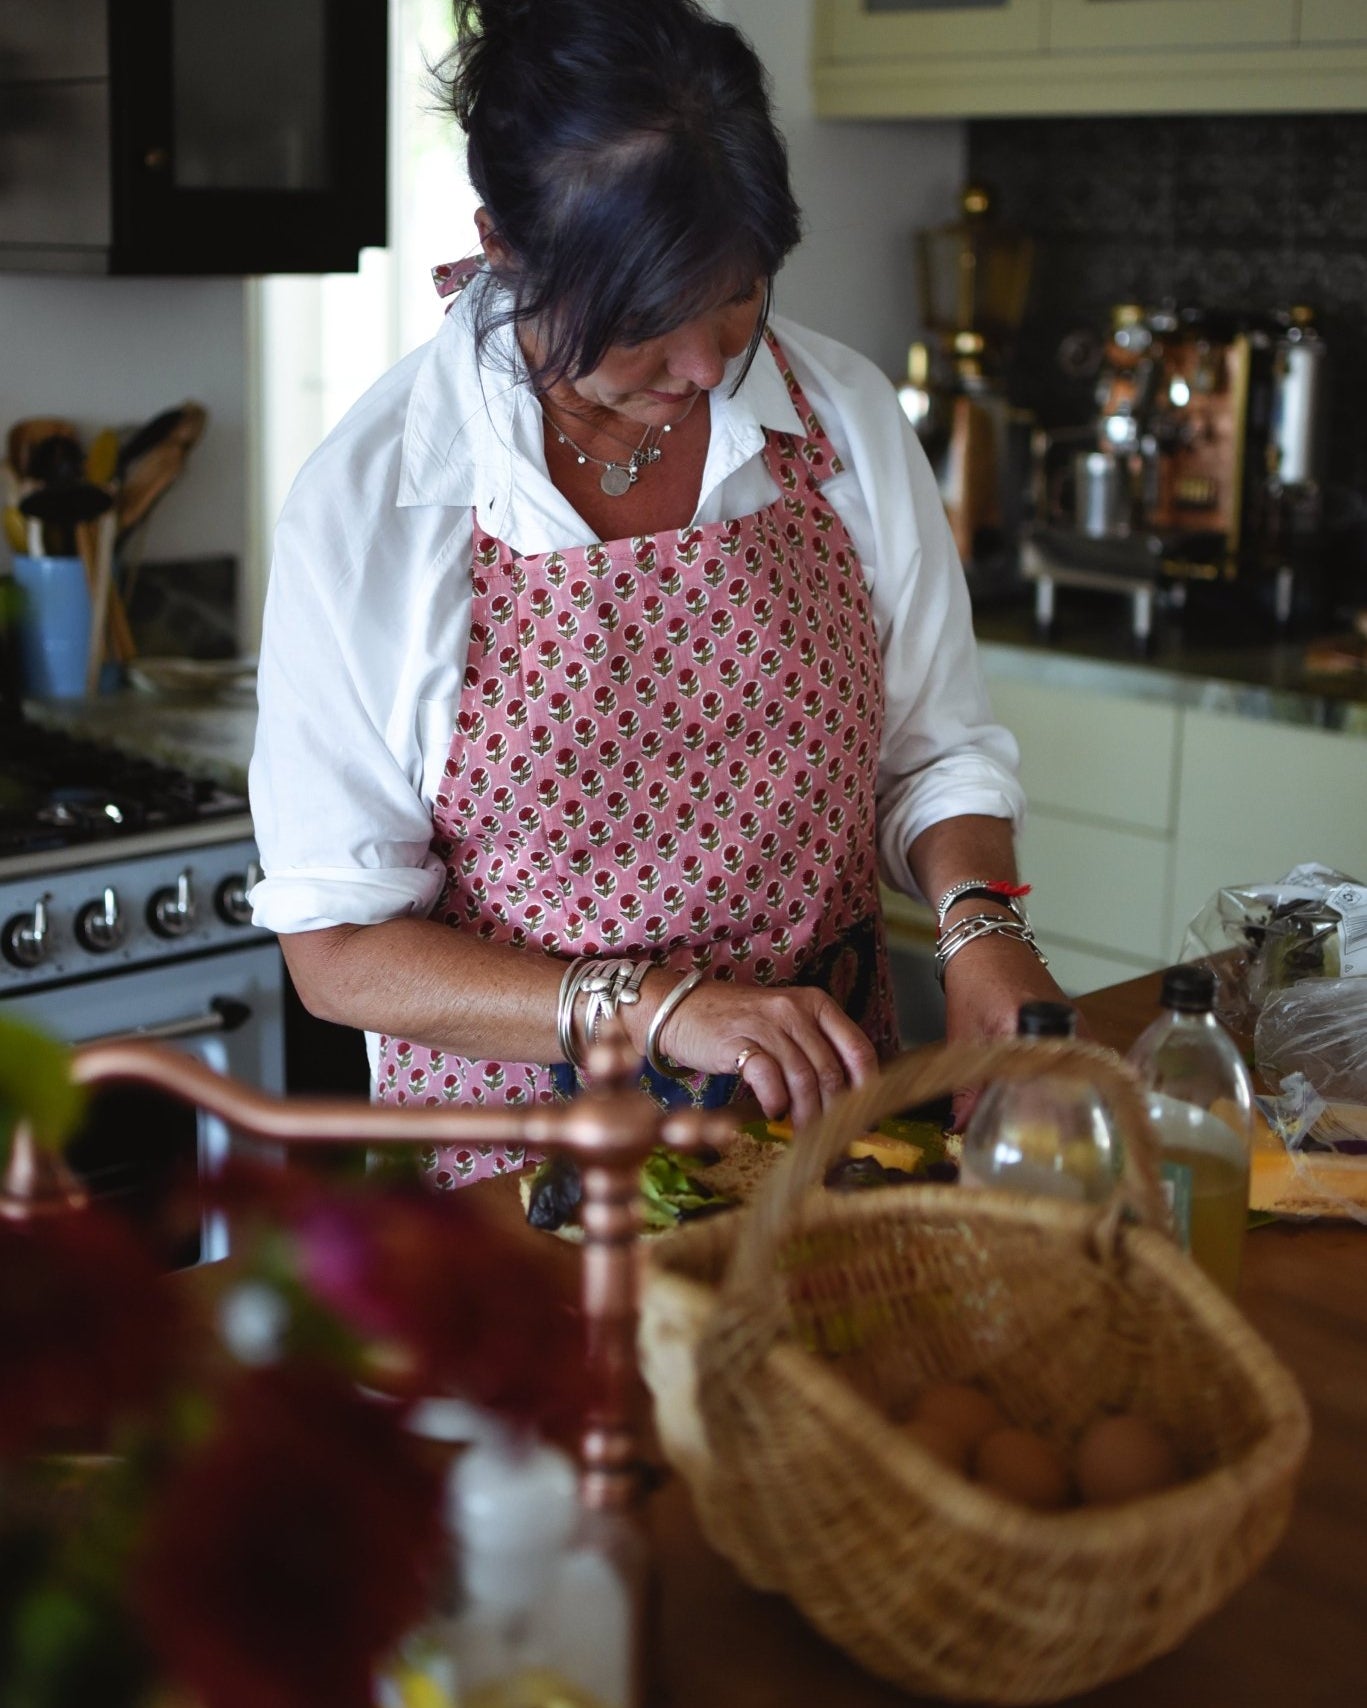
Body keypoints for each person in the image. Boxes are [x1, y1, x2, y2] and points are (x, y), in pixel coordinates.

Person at [248, 0, 1066, 1187]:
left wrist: (980, 922)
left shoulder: (840, 425)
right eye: (643, 321)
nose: (703, 366)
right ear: (503, 247)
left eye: (736, 297)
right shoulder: (377, 505)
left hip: (834, 1152)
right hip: (525, 1195)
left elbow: (934, 753)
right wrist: (658, 1004)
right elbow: (339, 953)